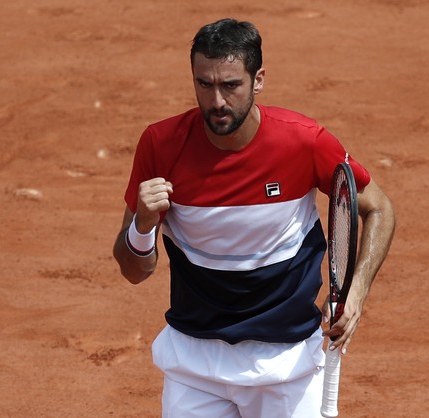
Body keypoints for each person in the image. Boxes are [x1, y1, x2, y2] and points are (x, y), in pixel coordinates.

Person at [113, 18, 396, 418]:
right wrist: (142, 226)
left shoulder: (304, 141)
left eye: (231, 85)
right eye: (204, 84)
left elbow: (379, 207)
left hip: (287, 364)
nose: (217, 102)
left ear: (258, 79)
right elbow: (133, 271)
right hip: (194, 363)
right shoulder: (160, 145)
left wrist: (357, 292)